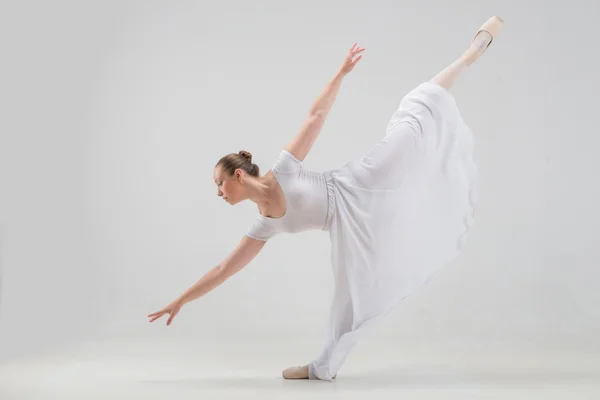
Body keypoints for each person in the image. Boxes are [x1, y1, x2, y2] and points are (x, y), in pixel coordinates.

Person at [148, 16, 504, 381]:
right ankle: (321, 368)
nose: (218, 193)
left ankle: (467, 57)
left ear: (238, 176)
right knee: (347, 304)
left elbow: (315, 115)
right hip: (345, 228)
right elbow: (224, 270)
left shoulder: (284, 169)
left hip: (355, 183)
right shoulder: (263, 225)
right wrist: (181, 300)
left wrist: (341, 72)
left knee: (411, 121)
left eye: (220, 184)